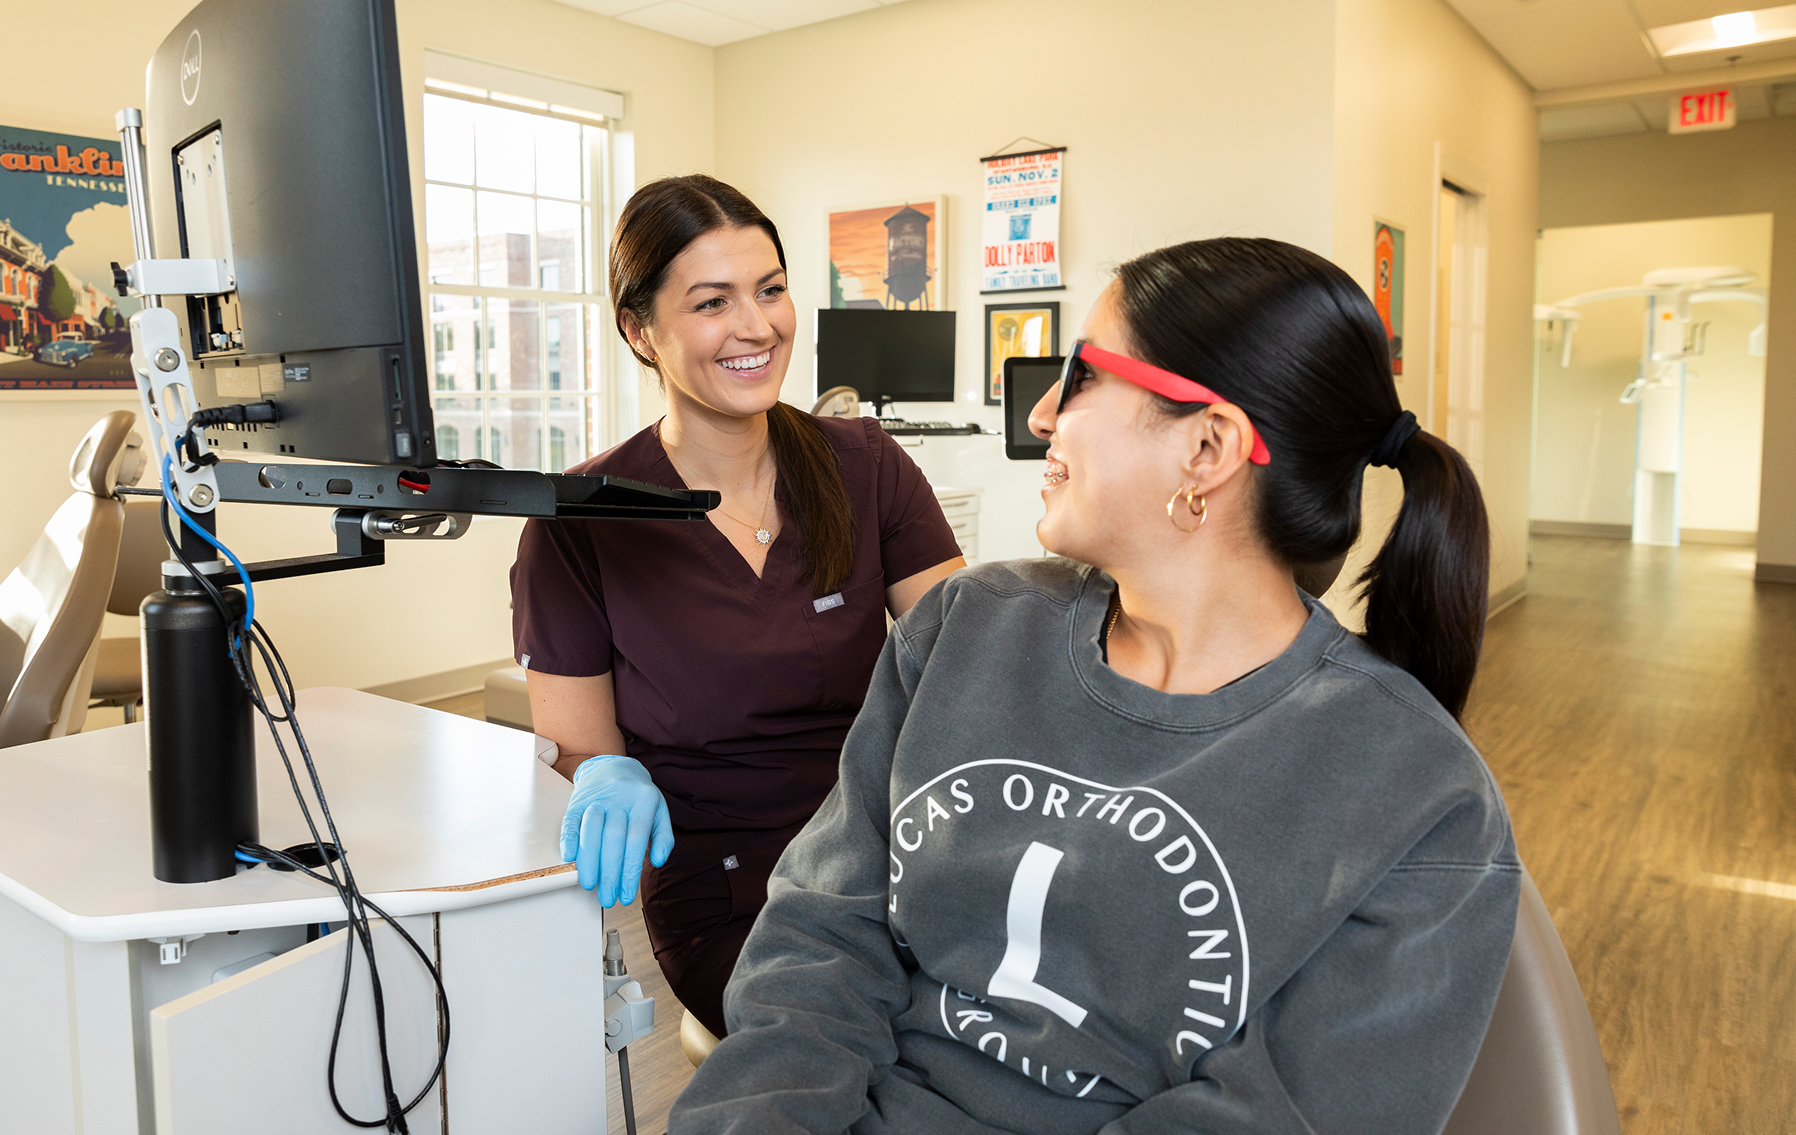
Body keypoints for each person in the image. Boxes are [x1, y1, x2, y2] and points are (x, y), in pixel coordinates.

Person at [669, 237, 1520, 1134]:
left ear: (1208, 447)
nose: (1041, 415)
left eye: (1079, 378)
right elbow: (821, 941)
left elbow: (1277, 1116)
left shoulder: (1418, 791)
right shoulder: (968, 626)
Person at [509, 175, 965, 1039]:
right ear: (640, 332)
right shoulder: (580, 519)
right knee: (875, 1046)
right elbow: (580, 750)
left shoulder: (862, 464)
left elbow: (968, 650)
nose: (756, 327)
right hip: (726, 886)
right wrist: (601, 774)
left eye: (771, 291)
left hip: (897, 851)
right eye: (712, 303)